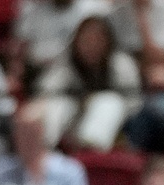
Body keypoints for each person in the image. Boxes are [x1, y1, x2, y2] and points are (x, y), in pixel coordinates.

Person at [37, 14, 141, 152]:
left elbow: (134, 104)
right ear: (76, 42)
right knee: (57, 105)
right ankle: (45, 150)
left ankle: (90, 153)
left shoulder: (121, 64)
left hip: (116, 127)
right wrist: (81, 103)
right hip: (73, 122)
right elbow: (45, 92)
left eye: (97, 40)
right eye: (86, 40)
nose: (92, 45)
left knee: (109, 102)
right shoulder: (66, 63)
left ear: (108, 42)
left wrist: (94, 102)